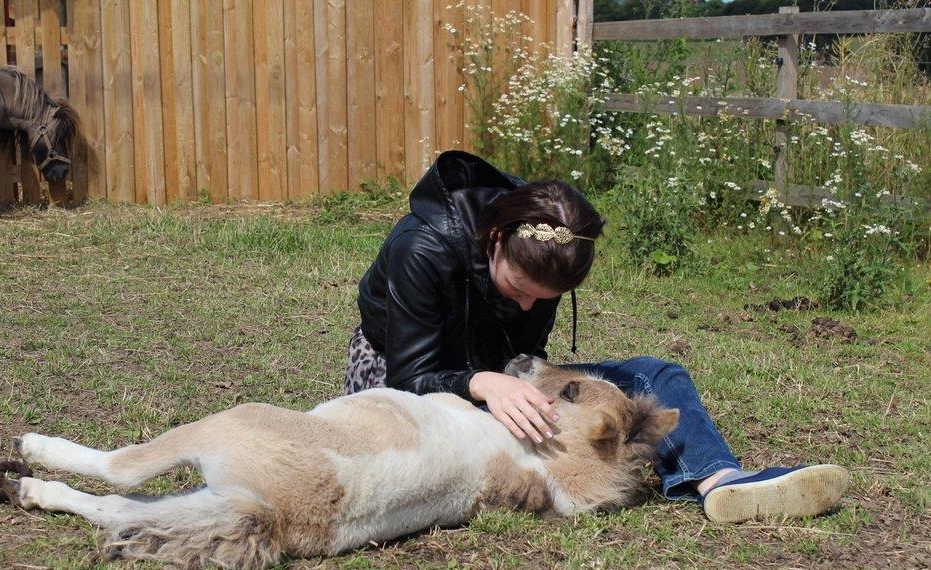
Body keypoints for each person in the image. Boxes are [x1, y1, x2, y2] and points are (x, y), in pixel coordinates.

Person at [347, 151, 848, 523]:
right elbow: (409, 376)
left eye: (542, 298)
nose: (526, 305)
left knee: (656, 373)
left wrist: (515, 378)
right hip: (409, 377)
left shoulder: (547, 248)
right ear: (495, 239)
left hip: (504, 372)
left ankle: (719, 480)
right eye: (518, 289)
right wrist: (484, 383)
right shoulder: (423, 248)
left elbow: (527, 353)